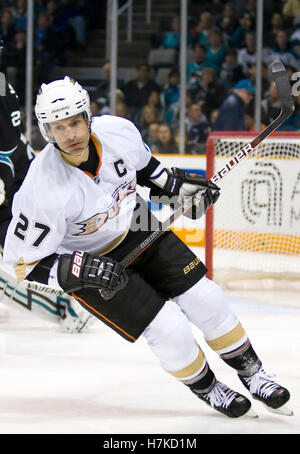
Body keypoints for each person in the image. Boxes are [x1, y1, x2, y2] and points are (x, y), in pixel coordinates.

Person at [3, 76, 292, 419]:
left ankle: (252, 371)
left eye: (76, 122)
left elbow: (151, 175)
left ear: (88, 116)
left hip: (139, 229)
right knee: (168, 328)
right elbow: (20, 263)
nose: (70, 134)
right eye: (59, 127)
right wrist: (74, 270)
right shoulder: (40, 188)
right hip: (93, 265)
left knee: (206, 297)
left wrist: (180, 191)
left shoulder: (118, 133)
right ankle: (209, 388)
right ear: (47, 131)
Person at [0, 43, 92, 333]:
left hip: (12, 181)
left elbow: (8, 144)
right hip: (17, 173)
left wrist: (1, 178)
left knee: (20, 255)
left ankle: (68, 305)